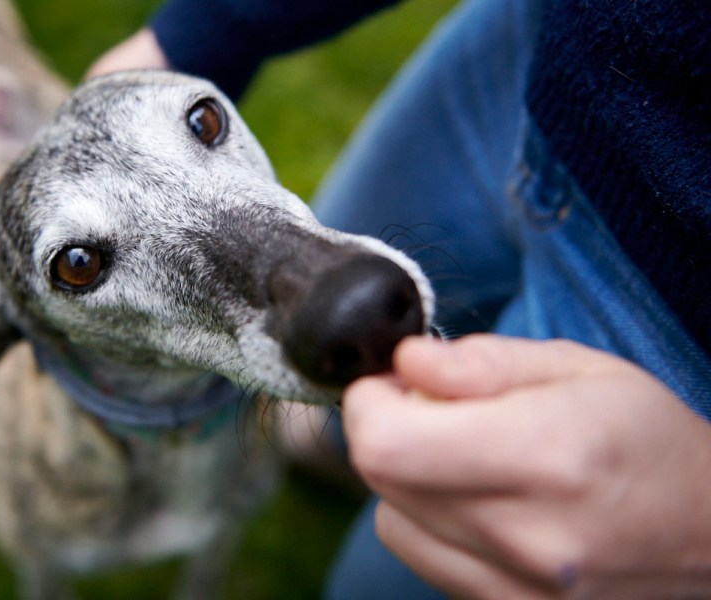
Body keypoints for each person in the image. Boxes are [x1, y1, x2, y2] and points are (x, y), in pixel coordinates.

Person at [88, 0, 711, 597]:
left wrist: (696, 527)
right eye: (81, 264)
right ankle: (334, 454)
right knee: (318, 420)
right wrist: (202, 27)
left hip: (685, 302)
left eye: (203, 123)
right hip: (548, 46)